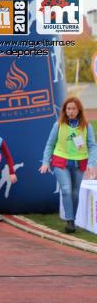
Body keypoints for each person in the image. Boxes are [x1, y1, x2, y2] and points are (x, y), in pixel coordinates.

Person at [40, 97, 97, 233]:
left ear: (79, 110)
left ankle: (73, 218)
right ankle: (70, 221)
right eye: (68, 109)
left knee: (75, 193)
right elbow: (50, 144)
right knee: (66, 189)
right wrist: (46, 162)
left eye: (74, 109)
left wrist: (91, 163)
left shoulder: (86, 125)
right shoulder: (58, 125)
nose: (71, 111)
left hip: (79, 163)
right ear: (65, 111)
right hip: (61, 162)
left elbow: (92, 146)